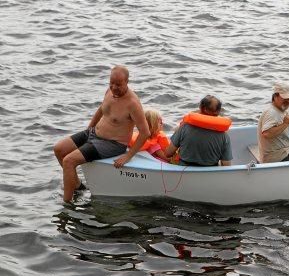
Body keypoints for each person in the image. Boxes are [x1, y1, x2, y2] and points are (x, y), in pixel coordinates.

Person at [53, 66, 150, 202]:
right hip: (93, 134)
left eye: (118, 85)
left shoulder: (133, 104)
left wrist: (128, 156)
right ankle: (77, 185)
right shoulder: (109, 92)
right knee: (58, 149)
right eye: (111, 83)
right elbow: (101, 109)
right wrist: (89, 128)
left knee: (69, 161)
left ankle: (67, 205)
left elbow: (145, 132)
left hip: (111, 143)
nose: (114, 87)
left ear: (127, 82)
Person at [164, 95, 232, 167]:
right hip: (210, 173)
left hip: (184, 171)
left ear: (202, 109)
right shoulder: (224, 136)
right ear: (218, 111)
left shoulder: (184, 128)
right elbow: (226, 164)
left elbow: (168, 153)